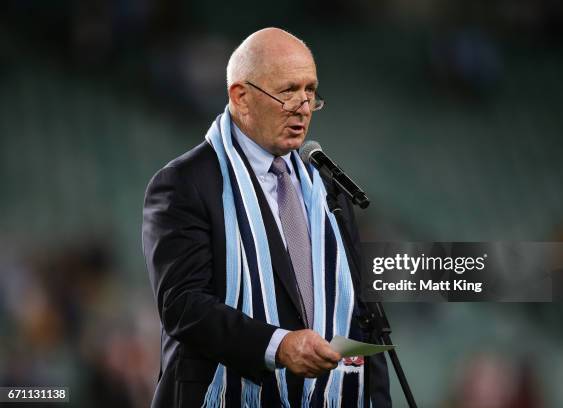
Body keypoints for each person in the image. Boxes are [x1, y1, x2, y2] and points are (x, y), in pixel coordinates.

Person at [142, 27, 391, 407]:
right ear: (241, 97)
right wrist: (277, 346)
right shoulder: (183, 183)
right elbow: (183, 305)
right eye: (288, 91)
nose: (304, 106)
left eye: (310, 91)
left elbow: (361, 315)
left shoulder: (326, 188)